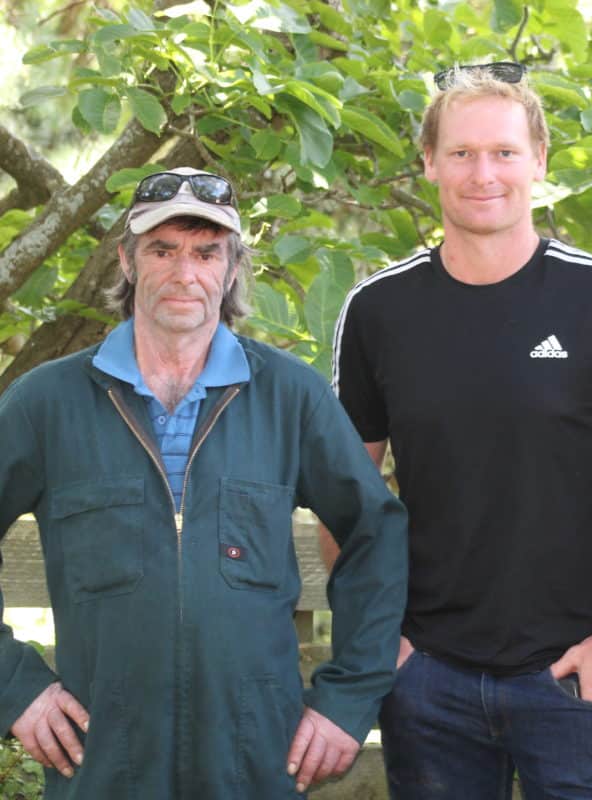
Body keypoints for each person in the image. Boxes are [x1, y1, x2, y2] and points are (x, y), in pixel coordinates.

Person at [324, 63, 592, 799]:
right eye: (460, 153)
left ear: (540, 162)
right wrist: (382, 643)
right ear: (428, 163)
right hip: (428, 680)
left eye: (503, 152)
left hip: (581, 677)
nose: (482, 173)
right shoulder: (378, 311)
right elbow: (344, 495)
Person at [0, 167, 409, 799]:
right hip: (102, 756)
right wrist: (15, 687)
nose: (184, 273)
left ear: (233, 266)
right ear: (127, 261)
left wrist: (347, 698)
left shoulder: (288, 396)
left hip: (257, 759)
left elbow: (374, 535)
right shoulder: (46, 403)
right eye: (162, 250)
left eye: (206, 252)